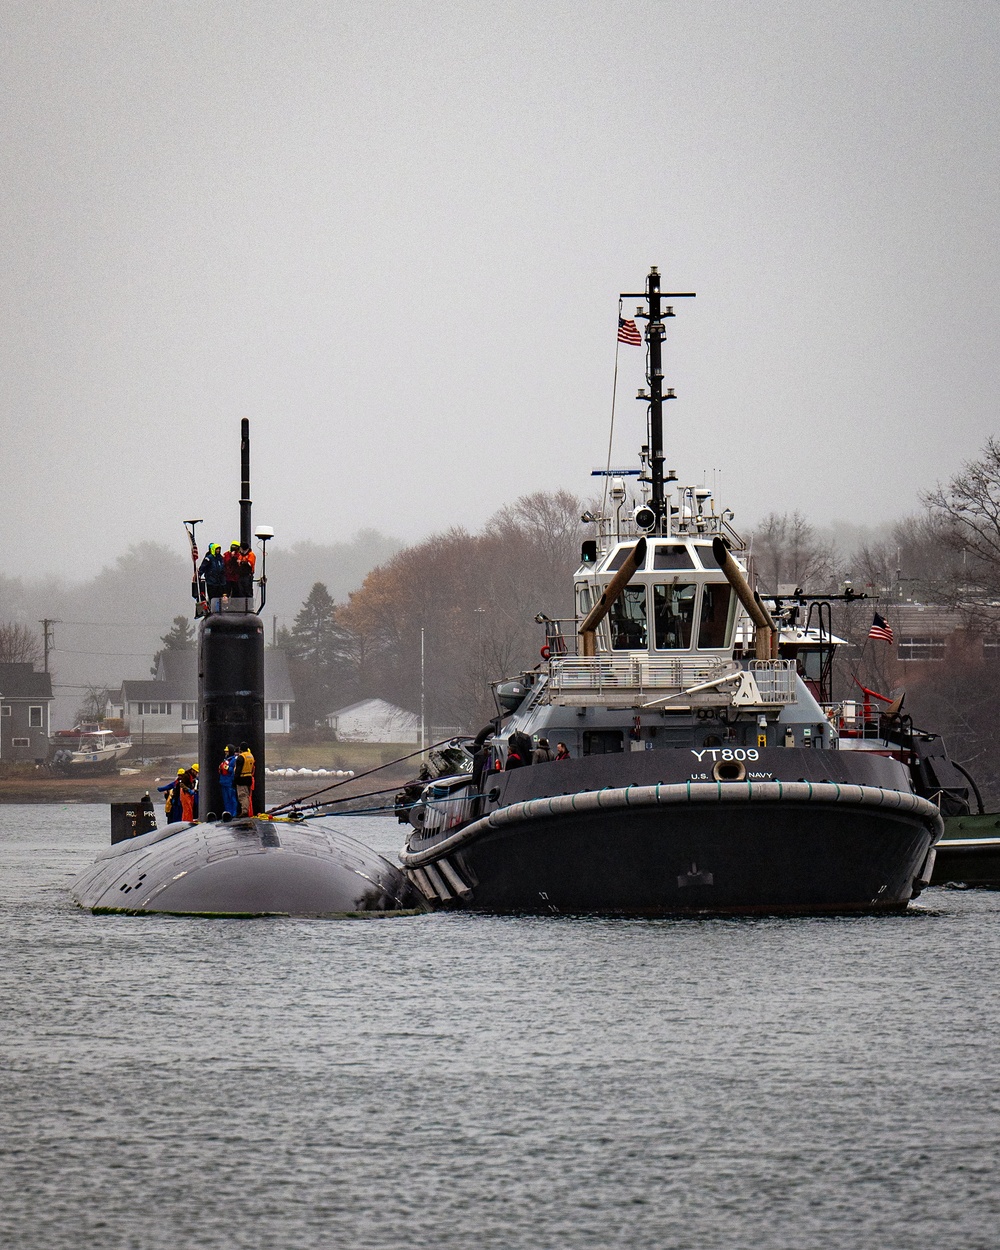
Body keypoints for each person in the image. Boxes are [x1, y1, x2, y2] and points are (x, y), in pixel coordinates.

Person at [233, 741, 255, 816]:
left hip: (242, 778)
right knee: (247, 795)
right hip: (249, 777)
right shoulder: (251, 756)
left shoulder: (241, 757)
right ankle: (246, 810)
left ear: (240, 749)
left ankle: (245, 811)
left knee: (242, 796)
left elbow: (238, 770)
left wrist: (235, 780)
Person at [219, 744, 238, 816]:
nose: (225, 753)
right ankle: (228, 812)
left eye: (227, 751)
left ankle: (233, 813)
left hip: (229, 782)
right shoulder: (226, 760)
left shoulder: (233, 760)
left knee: (232, 798)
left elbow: (234, 771)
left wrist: (227, 768)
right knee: (226, 799)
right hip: (223, 782)